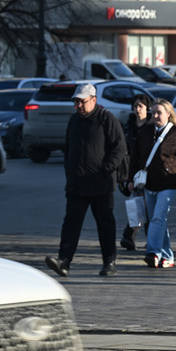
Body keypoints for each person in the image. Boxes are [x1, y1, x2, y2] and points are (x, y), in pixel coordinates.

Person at [45, 83, 127, 278]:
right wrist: (69, 171)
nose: (78, 106)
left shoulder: (106, 119)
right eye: (76, 102)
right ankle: (64, 261)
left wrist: (105, 169)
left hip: (101, 183)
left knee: (105, 223)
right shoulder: (74, 120)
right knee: (71, 223)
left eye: (82, 102)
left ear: (93, 100)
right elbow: (68, 148)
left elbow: (120, 147)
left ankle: (109, 261)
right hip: (77, 183)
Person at [128, 99, 176, 268]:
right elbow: (135, 157)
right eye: (154, 112)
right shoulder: (145, 131)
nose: (156, 116)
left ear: (168, 114)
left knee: (158, 216)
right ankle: (168, 256)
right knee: (157, 219)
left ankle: (153, 252)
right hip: (148, 183)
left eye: (159, 113)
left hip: (169, 183)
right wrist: (130, 179)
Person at [120, 95, 153, 251]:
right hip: (133, 169)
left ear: (147, 108)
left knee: (147, 205)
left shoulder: (152, 126)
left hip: (149, 169)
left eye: (141, 106)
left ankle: (131, 236)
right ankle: (131, 237)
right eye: (135, 106)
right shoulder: (129, 126)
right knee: (140, 204)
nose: (138, 109)